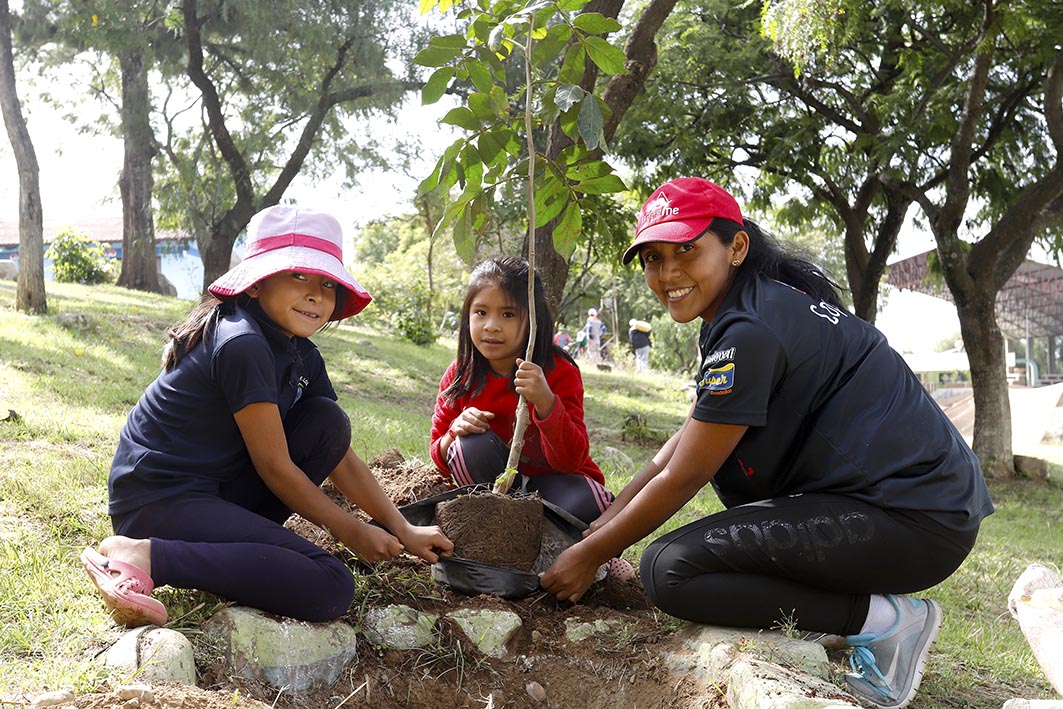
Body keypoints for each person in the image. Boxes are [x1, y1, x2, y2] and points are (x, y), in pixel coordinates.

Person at [540, 177, 994, 709]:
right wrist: (606, 520)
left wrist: (594, 554)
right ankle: (860, 614)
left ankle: (891, 622)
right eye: (653, 258)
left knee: (669, 570)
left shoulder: (749, 330)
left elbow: (684, 475)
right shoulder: (751, 308)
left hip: (911, 519)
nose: (667, 273)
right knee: (683, 559)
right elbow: (681, 446)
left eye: (687, 249)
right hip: (914, 509)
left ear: (736, 247)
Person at [81, 205, 453, 629]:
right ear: (256, 285)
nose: (316, 294)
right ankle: (144, 555)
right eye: (298, 276)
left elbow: (339, 456)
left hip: (215, 492)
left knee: (327, 421)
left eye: (327, 283)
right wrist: (350, 531)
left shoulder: (301, 354)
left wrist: (401, 526)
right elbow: (274, 466)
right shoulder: (241, 342)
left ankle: (231, 550)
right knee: (331, 585)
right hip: (160, 502)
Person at [429, 256, 616, 527]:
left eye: (508, 314)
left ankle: (584, 551)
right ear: (466, 316)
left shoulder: (559, 371)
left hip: (558, 486)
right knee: (465, 447)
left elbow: (571, 459)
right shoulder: (461, 374)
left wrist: (546, 402)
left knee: (593, 505)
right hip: (496, 490)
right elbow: (439, 456)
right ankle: (496, 532)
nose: (491, 325)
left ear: (534, 319)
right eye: (481, 312)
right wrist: (454, 432)